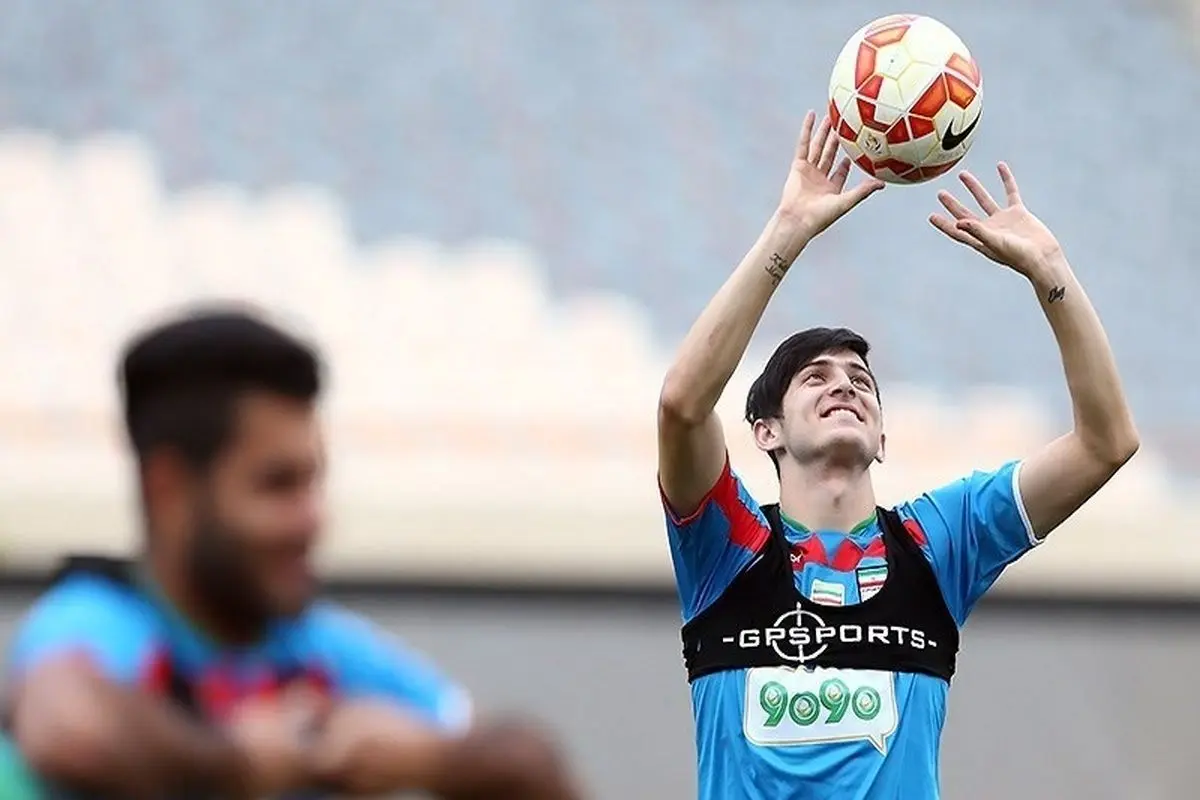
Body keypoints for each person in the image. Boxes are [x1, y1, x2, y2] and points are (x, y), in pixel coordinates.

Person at [657, 111, 1139, 800]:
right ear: (766, 431)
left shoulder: (939, 541)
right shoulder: (724, 547)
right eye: (815, 378)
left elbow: (1106, 443)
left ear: (882, 439)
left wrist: (1051, 274)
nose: (844, 387)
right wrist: (788, 231)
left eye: (861, 382)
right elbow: (682, 405)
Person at [4, 307, 584, 800]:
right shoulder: (99, 620)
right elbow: (70, 729)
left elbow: (531, 768)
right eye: (278, 485)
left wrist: (433, 760)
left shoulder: (319, 649)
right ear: (170, 490)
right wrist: (236, 762)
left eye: (315, 483)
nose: (313, 519)